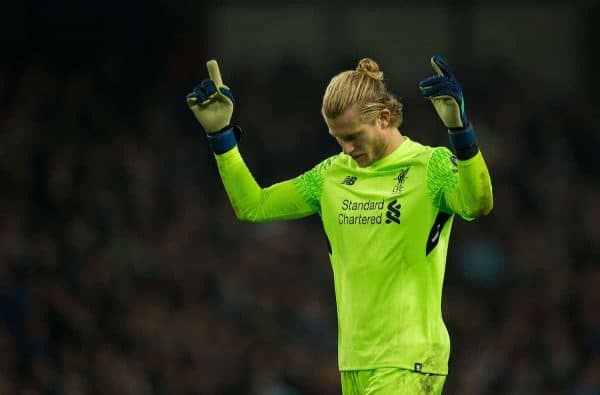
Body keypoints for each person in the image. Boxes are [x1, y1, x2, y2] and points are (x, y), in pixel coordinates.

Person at [186, 55, 493, 394]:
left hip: (411, 357)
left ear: (384, 118)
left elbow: (477, 203)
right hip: (354, 361)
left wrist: (460, 131)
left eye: (352, 136)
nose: (346, 148)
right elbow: (253, 206)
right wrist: (221, 136)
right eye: (337, 138)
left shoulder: (430, 166)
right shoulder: (330, 175)